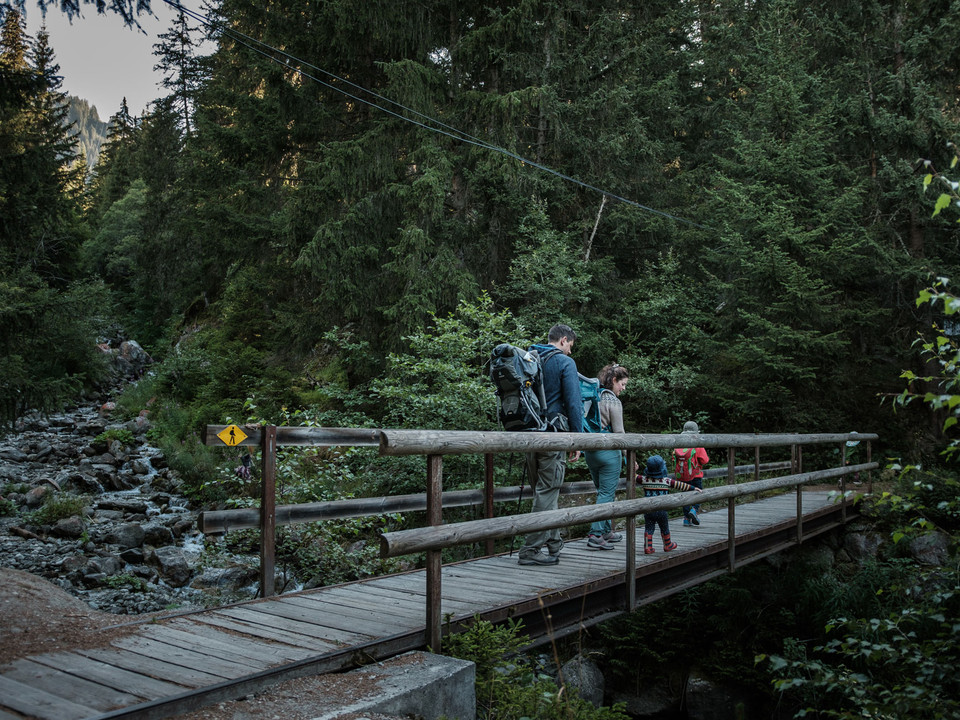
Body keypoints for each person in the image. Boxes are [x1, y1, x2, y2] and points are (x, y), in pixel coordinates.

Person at [518, 324, 583, 567]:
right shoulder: (565, 363)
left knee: (544, 490)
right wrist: (577, 439)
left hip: (529, 435)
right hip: (553, 435)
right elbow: (574, 403)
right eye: (570, 347)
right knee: (548, 490)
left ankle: (555, 544)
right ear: (564, 340)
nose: (570, 352)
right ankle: (531, 549)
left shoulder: (529, 358)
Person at [584, 363, 630, 551]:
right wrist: (629, 457)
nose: (623, 389)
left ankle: (605, 531)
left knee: (601, 491)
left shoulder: (593, 397)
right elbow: (619, 433)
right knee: (606, 493)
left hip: (590, 451)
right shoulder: (613, 401)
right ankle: (595, 535)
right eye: (623, 384)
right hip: (609, 453)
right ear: (613, 381)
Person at [638, 455, 702, 554]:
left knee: (649, 528)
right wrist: (693, 488)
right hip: (661, 510)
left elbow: (633, 477)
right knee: (664, 527)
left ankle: (648, 547)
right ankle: (667, 544)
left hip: (648, 510)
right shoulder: (666, 481)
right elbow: (681, 485)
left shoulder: (644, 480)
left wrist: (634, 468)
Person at [673, 421, 709, 526]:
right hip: (696, 475)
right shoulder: (697, 445)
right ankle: (694, 510)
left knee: (685, 496)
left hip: (682, 476)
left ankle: (686, 519)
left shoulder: (679, 444)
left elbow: (673, 458)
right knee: (698, 493)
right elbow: (705, 460)